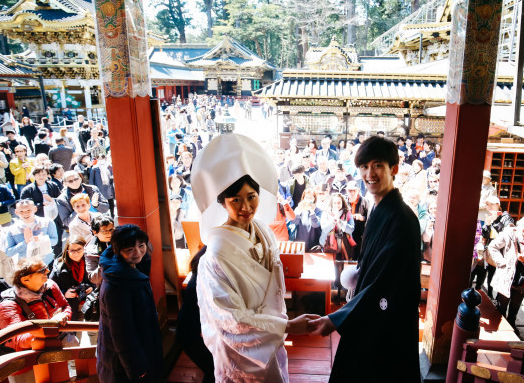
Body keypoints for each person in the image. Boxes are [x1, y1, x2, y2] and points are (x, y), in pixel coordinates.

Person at [190, 133, 316, 381]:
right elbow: (230, 320)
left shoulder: (265, 233)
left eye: (251, 196)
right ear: (223, 203)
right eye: (235, 199)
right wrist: (287, 326)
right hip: (240, 355)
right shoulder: (214, 256)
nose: (245, 206)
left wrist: (279, 326)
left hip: (272, 339)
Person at [308, 136, 422, 382]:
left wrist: (337, 318)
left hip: (386, 317)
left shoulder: (402, 220)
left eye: (378, 165)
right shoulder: (379, 208)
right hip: (369, 308)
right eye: (364, 166)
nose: (370, 173)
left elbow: (385, 280)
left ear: (394, 168)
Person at [97, 225, 163, 382]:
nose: (138, 253)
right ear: (117, 250)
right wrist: (136, 369)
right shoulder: (117, 285)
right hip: (123, 364)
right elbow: (122, 333)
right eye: (129, 249)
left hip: (139, 350)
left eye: (141, 246)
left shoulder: (132, 268)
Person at [0, 257, 73, 383]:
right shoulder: (8, 305)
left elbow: (65, 306)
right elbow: (17, 339)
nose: (48, 271)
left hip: (54, 351)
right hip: (25, 362)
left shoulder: (50, 286)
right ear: (25, 279)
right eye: (42, 270)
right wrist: (52, 325)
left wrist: (63, 317)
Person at [488, 216, 524, 326]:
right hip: (507, 274)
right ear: (519, 226)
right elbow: (493, 247)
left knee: (515, 306)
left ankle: (512, 325)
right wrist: (502, 262)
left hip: (523, 278)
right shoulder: (508, 235)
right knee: (502, 305)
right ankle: (500, 328)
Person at [176, 248, 214, 383]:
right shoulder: (204, 279)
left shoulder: (199, 270)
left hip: (190, 330)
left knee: (213, 369)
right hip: (191, 335)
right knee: (213, 370)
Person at [49, 235, 94, 321]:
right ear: (67, 251)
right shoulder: (59, 267)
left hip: (89, 303)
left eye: (79, 249)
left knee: (93, 331)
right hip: (70, 306)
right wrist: (64, 293)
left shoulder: (91, 261)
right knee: (75, 332)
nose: (76, 253)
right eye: (72, 250)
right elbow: (50, 288)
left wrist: (92, 287)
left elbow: (100, 280)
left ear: (85, 248)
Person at [5, 199, 59, 267]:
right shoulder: (12, 229)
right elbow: (9, 252)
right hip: (26, 266)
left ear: (35, 209)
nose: (25, 213)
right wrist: (25, 242)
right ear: (16, 212)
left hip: (47, 263)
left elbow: (55, 241)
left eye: (28, 210)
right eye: (21, 211)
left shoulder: (47, 222)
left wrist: (41, 240)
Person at [84, 214, 113, 285]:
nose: (109, 233)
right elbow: (93, 278)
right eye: (104, 231)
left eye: (111, 230)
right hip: (106, 285)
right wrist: (105, 262)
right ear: (95, 232)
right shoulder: (91, 250)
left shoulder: (120, 240)